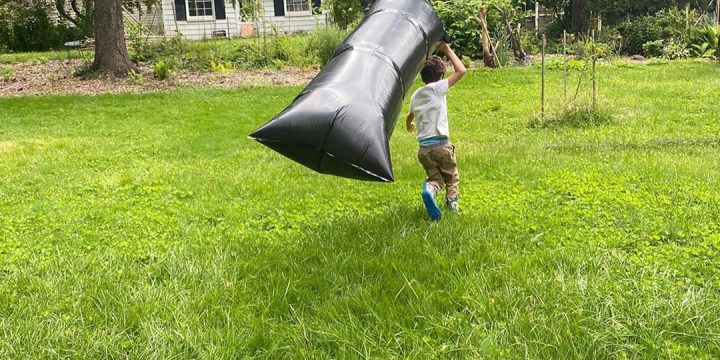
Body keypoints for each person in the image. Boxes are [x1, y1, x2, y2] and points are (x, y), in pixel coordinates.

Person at [406, 42, 467, 221]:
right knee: (451, 177)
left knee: (436, 179)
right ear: (441, 76)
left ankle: (430, 191)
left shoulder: (416, 94)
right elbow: (461, 71)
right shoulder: (438, 88)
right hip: (441, 145)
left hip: (424, 150)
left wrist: (408, 124)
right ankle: (452, 206)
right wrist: (447, 50)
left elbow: (410, 114)